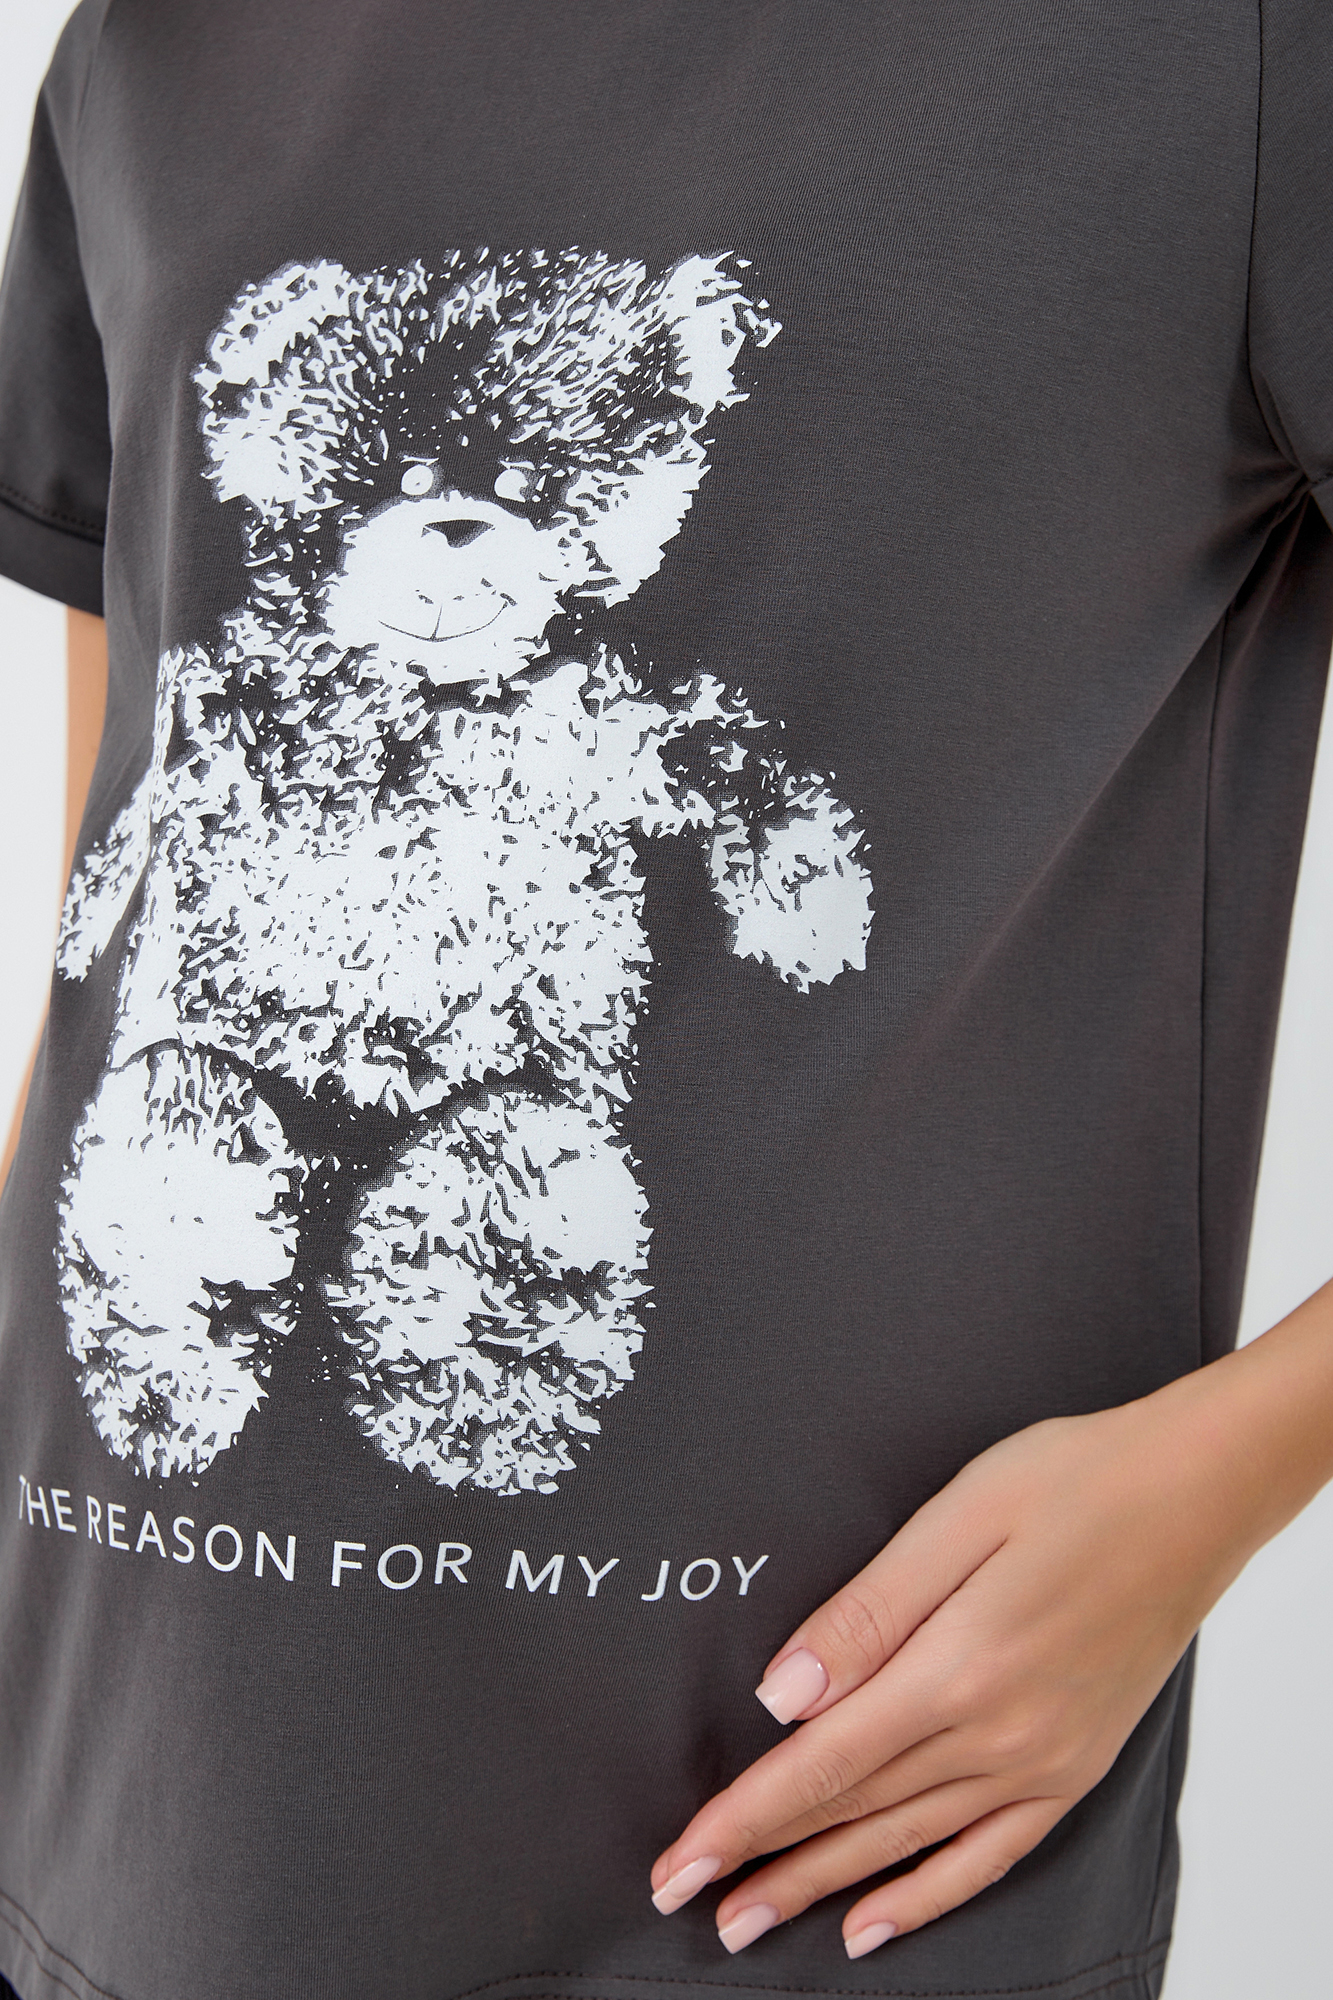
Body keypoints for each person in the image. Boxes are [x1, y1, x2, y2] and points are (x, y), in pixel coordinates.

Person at [0, 5, 1329, 2000]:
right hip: (117, 1795)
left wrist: (1215, 1477)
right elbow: (113, 861)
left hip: (811, 1839)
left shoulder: (1233, 52)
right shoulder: (155, 45)